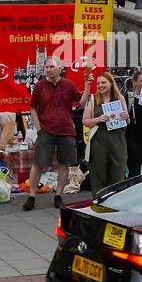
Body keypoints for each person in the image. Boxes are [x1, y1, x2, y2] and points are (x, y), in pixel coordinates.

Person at [23, 57, 80, 211]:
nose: (48, 69)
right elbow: (32, 107)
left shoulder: (68, 85)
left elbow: (81, 101)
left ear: (59, 68)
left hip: (66, 130)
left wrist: (88, 86)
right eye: (46, 67)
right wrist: (38, 127)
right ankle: (31, 196)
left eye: (51, 66)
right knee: (38, 163)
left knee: (64, 164)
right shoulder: (40, 86)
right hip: (46, 130)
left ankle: (59, 195)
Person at [82, 73, 129, 192]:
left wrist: (126, 116)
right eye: (98, 83)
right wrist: (98, 119)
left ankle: (115, 204)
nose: (100, 85)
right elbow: (85, 121)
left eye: (103, 82)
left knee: (117, 173)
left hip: (118, 140)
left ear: (111, 83)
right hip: (99, 140)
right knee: (99, 174)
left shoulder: (120, 98)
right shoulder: (92, 99)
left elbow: (127, 121)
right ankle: (99, 202)